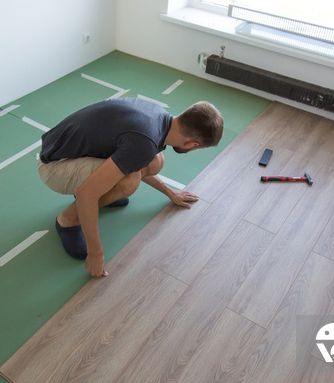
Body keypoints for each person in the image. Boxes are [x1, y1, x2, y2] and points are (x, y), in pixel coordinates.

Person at [38, 97, 223, 277]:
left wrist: (170, 192)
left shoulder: (158, 115)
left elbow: (136, 156)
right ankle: (67, 219)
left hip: (62, 148)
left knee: (155, 161)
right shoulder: (145, 142)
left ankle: (105, 188)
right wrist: (96, 254)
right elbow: (86, 193)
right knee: (129, 182)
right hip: (54, 166)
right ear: (192, 144)